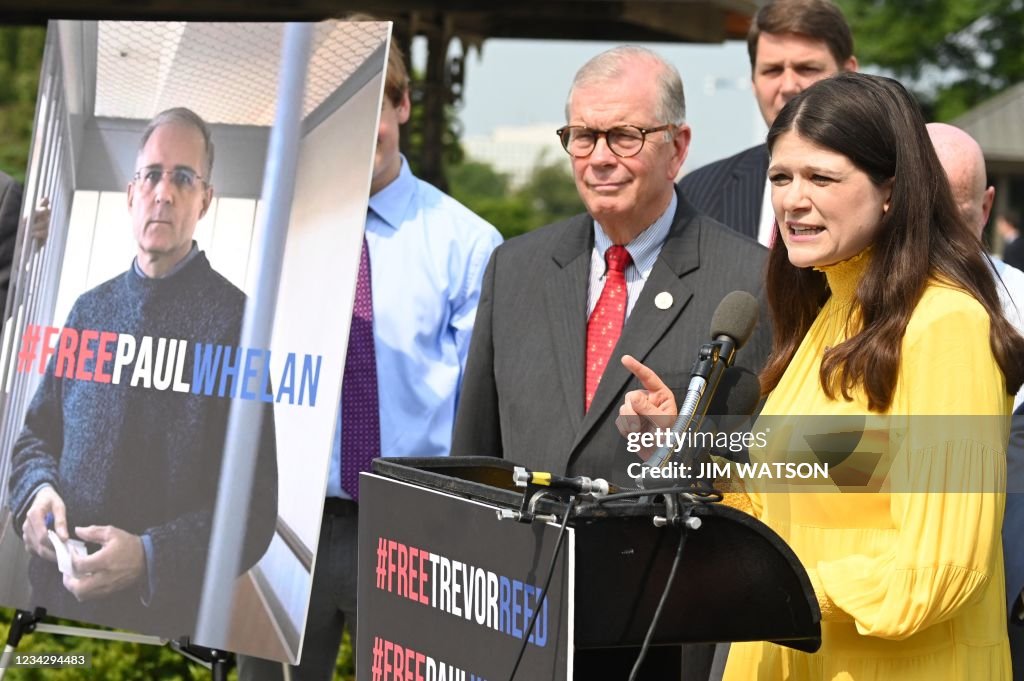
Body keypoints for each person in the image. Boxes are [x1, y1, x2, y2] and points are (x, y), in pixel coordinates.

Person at [622, 72, 1024, 679]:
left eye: (822, 178)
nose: (792, 200)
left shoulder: (948, 326)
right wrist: (690, 446)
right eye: (781, 177)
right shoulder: (829, 312)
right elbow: (801, 496)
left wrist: (765, 589)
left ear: (891, 190)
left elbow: (939, 570)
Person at [452, 45, 770, 680]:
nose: (599, 157)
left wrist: (686, 436)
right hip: (523, 625)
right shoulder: (515, 268)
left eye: (624, 136)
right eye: (582, 136)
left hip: (667, 634)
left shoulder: (753, 284)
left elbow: (773, 464)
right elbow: (475, 457)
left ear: (678, 148)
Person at [236, 39, 502, 681]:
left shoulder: (468, 246)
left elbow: (486, 413)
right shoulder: (263, 235)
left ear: (403, 104)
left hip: (419, 531)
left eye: (370, 110)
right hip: (281, 528)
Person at [6, 107, 278, 638]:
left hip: (160, 630)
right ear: (131, 194)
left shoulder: (238, 324)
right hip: (53, 614)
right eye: (152, 174)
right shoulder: (88, 310)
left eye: (183, 178)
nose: (164, 192)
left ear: (205, 200)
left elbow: (253, 508)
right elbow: (36, 436)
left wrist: (151, 556)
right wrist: (35, 493)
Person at [679, 0, 857, 244]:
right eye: (772, 70)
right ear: (753, 81)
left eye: (806, 68)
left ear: (848, 75)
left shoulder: (893, 188)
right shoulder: (698, 194)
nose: (788, 86)